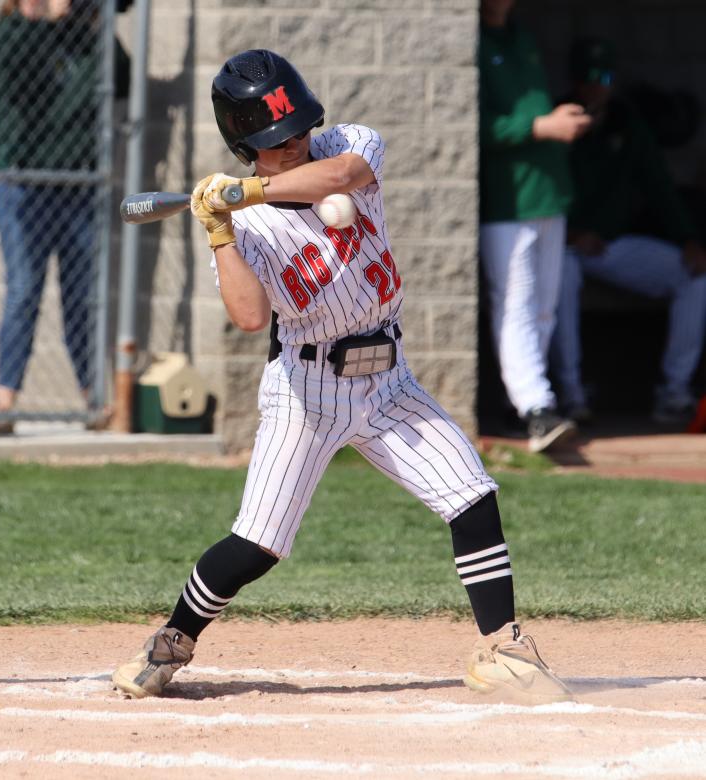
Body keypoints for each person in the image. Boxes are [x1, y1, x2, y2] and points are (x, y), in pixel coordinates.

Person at [111, 49, 572, 704]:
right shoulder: (243, 226)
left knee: (473, 496)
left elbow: (345, 173)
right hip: (308, 392)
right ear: (244, 142)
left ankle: (500, 645)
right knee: (256, 546)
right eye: (274, 142)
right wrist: (219, 229)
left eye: (296, 129)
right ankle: (173, 639)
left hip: (389, 380)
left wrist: (250, 188)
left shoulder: (350, 145)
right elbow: (248, 317)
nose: (293, 145)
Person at [0, 0, 129, 435]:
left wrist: (95, 18)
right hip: (23, 185)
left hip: (79, 187)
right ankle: (4, 405)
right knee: (24, 290)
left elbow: (122, 80)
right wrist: (35, 16)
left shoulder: (88, 39)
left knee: (82, 298)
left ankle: (91, 402)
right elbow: (1, 83)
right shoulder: (5, 34)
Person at [551, 36, 706, 426]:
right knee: (562, 275)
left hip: (610, 246)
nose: (595, 86)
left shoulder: (627, 123)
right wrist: (569, 233)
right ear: (574, 80)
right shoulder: (557, 119)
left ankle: (674, 394)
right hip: (562, 245)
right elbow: (540, 191)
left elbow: (660, 188)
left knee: (695, 276)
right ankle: (570, 393)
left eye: (603, 77)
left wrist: (689, 239)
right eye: (587, 78)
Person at [478, 0, 591, 452]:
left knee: (545, 307)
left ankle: (522, 402)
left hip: (547, 190)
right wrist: (542, 125)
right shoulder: (477, 41)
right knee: (516, 304)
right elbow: (477, 125)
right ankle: (537, 409)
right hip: (508, 198)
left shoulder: (521, 37)